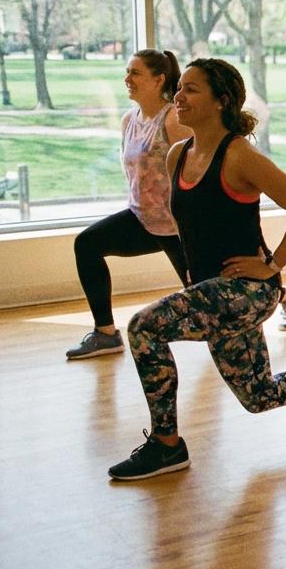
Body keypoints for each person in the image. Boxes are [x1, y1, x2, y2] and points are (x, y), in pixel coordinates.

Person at [109, 58, 286, 481]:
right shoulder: (178, 155)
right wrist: (191, 280)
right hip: (212, 291)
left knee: (144, 328)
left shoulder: (239, 156)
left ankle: (167, 446)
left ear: (221, 101)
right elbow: (189, 227)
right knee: (259, 395)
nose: (179, 97)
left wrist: (271, 266)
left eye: (191, 89)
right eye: (179, 88)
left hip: (247, 291)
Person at [65, 50, 191, 359]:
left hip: (178, 226)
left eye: (135, 73)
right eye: (127, 71)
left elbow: (193, 172)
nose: (127, 79)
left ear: (158, 79)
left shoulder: (173, 119)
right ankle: (106, 334)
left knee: (212, 294)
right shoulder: (129, 120)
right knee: (87, 244)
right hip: (142, 219)